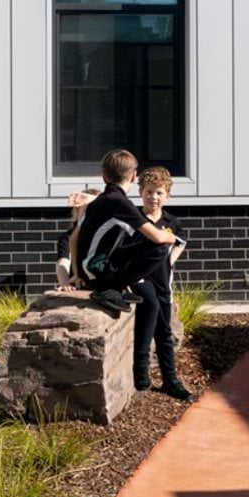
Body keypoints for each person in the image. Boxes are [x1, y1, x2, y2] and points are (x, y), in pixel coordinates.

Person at [72, 149, 180, 316]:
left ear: (103, 176)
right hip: (97, 271)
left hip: (90, 267)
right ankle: (110, 288)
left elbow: (73, 238)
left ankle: (114, 287)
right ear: (133, 176)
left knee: (146, 243)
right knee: (161, 246)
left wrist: (77, 272)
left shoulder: (100, 200)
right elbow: (158, 236)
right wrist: (171, 236)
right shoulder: (120, 203)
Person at [129, 166, 191, 400]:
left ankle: (170, 379)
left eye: (158, 193)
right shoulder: (135, 219)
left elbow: (181, 242)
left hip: (163, 281)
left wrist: (170, 261)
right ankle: (141, 370)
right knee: (146, 323)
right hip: (140, 281)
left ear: (167, 195)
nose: (153, 197)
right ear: (141, 192)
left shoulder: (170, 222)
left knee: (164, 331)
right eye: (148, 192)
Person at [55, 187, 101, 290]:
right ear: (77, 210)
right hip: (79, 284)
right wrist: (65, 283)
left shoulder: (106, 234)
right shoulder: (68, 237)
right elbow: (63, 262)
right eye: (87, 209)